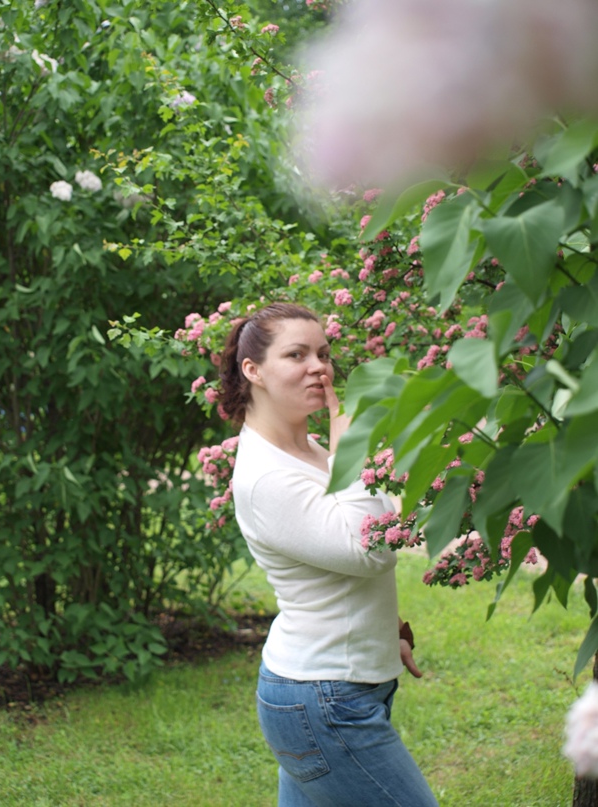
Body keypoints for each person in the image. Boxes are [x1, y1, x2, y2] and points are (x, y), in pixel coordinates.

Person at [219, 302, 438, 807]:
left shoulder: (310, 449)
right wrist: (351, 450)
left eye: (323, 352)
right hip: (323, 700)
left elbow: (365, 532)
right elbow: (371, 550)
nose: (319, 366)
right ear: (253, 370)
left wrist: (382, 635)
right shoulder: (268, 477)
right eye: (296, 354)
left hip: (338, 685)